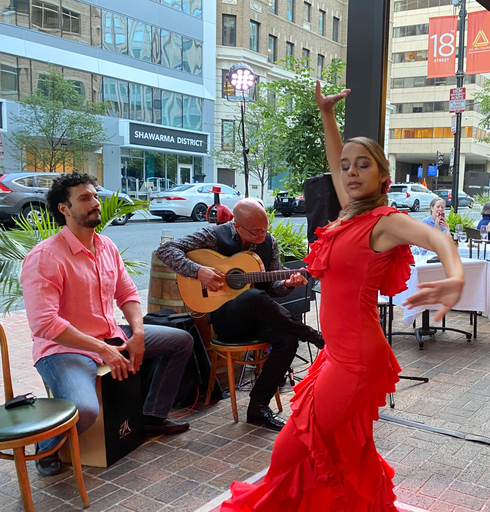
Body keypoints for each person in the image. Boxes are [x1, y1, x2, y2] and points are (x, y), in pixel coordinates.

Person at [219, 82, 464, 511]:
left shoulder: (385, 221)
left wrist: (455, 276)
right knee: (346, 449)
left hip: (357, 360)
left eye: (362, 165)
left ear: (383, 177)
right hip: (337, 353)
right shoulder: (348, 215)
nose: (350, 172)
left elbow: (435, 238)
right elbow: (336, 159)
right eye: (347, 166)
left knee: (290, 449)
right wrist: (327, 115)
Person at [21, 172, 194, 477]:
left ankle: (152, 416)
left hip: (110, 335)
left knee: (181, 341)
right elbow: (45, 324)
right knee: (84, 410)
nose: (95, 203)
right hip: (63, 349)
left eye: (95, 196)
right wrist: (102, 349)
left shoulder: (107, 247)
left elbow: (127, 293)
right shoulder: (45, 256)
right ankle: (46, 446)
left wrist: (138, 333)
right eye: (85, 198)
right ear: (64, 208)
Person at [156, 199, 323, 432]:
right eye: (256, 231)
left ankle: (258, 408)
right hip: (226, 320)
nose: (263, 234)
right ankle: (311, 334)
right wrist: (199, 271)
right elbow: (165, 250)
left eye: (265, 229)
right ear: (237, 226)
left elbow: (273, 288)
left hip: (258, 317)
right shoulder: (212, 235)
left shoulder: (269, 243)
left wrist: (288, 283)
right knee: (251, 298)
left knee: (287, 339)